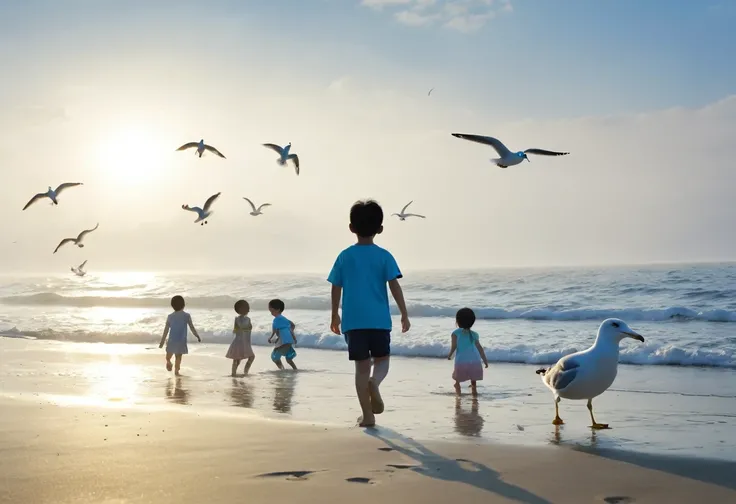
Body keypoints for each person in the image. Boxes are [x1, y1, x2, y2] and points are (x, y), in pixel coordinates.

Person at [327, 199, 410, 427]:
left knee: (361, 367)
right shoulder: (384, 256)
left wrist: (335, 314)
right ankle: (376, 381)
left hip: (354, 322)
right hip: (379, 320)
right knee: (382, 360)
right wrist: (404, 313)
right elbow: (394, 286)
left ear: (351, 228)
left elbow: (336, 286)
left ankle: (368, 416)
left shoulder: (344, 256)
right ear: (380, 229)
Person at [447, 307, 488, 397]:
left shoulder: (455, 333)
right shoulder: (474, 334)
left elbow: (454, 347)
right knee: (473, 378)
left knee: (458, 377)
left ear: (457, 321)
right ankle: (474, 390)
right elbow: (480, 348)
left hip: (461, 361)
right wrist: (485, 360)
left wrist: (449, 355)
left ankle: (458, 389)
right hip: (475, 361)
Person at [159, 295, 201, 376]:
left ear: (172, 306)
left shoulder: (170, 317)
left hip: (171, 341)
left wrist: (162, 342)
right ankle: (177, 371)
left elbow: (166, 331)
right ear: (183, 305)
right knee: (178, 357)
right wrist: (197, 335)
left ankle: (168, 362)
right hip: (181, 340)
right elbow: (192, 327)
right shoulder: (186, 316)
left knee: (168, 356)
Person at [226, 299, 255, 376]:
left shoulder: (247, 319)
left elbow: (247, 329)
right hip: (239, 342)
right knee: (237, 359)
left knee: (250, 357)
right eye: (246, 308)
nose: (248, 309)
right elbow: (238, 329)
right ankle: (235, 373)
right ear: (240, 310)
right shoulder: (238, 319)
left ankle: (244, 372)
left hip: (245, 342)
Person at [267, 299, 297, 370]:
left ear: (278, 310)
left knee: (275, 356)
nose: (271, 313)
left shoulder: (276, 320)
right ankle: (295, 370)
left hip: (284, 342)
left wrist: (270, 338)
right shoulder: (284, 319)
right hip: (287, 341)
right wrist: (292, 336)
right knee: (288, 359)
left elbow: (274, 331)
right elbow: (292, 325)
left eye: (272, 311)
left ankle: (282, 369)